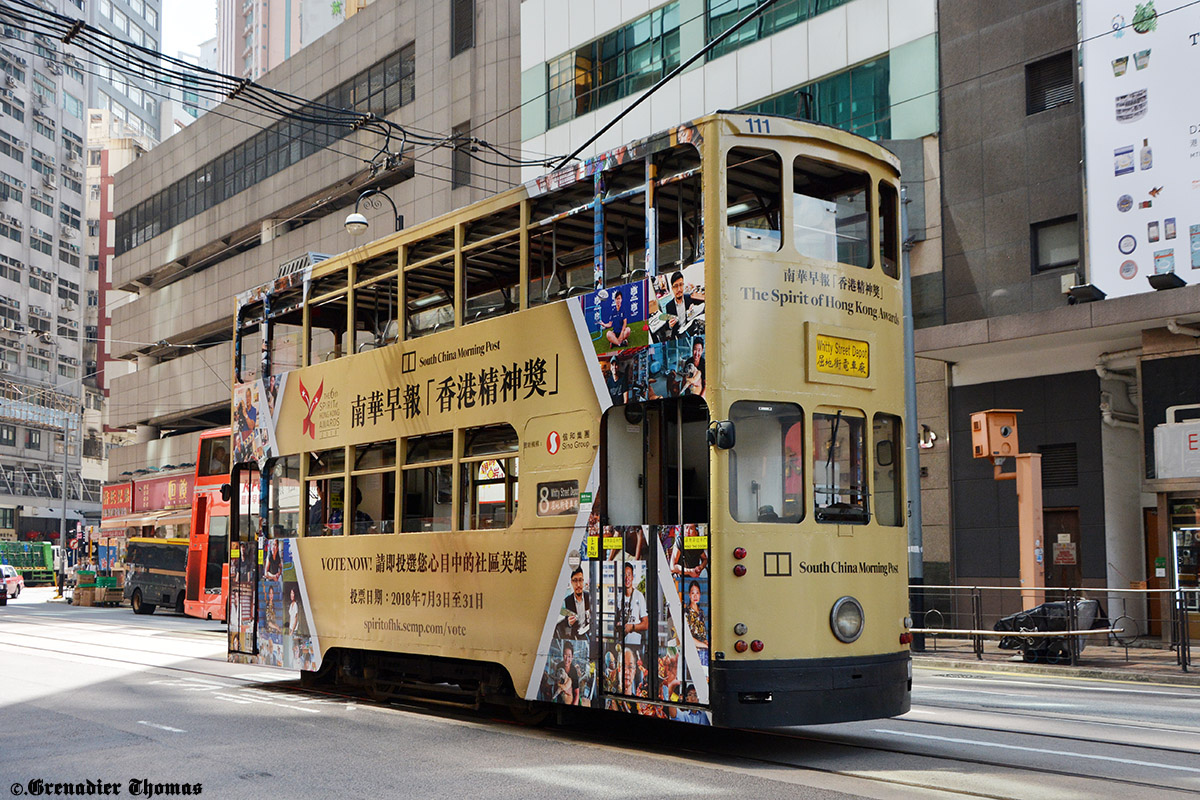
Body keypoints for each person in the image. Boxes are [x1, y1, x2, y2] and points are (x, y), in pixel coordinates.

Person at [661, 271, 704, 337]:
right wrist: (670, 325)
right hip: (678, 333)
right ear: (672, 288)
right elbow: (667, 324)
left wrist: (693, 309)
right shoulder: (669, 306)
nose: (679, 289)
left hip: (689, 329)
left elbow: (693, 313)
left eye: (681, 285)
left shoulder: (688, 298)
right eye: (676, 286)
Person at [556, 567, 590, 639]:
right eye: (575, 580)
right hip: (575, 636)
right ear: (571, 582)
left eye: (580, 580)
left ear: (583, 581)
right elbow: (565, 622)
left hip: (588, 633)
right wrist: (569, 623)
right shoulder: (567, 600)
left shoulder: (589, 597)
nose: (578, 584)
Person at [620, 561, 648, 647]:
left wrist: (632, 627)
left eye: (629, 575)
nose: (627, 578)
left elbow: (646, 624)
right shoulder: (619, 597)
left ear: (632, 577)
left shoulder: (639, 596)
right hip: (620, 644)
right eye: (625, 575)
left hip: (634, 645)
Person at [685, 580, 709, 660]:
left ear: (700, 595)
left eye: (697, 593)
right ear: (689, 595)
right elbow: (687, 636)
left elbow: (703, 634)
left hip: (702, 649)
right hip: (691, 649)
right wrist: (704, 645)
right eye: (693, 593)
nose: (695, 596)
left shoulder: (701, 612)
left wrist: (705, 642)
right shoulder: (686, 612)